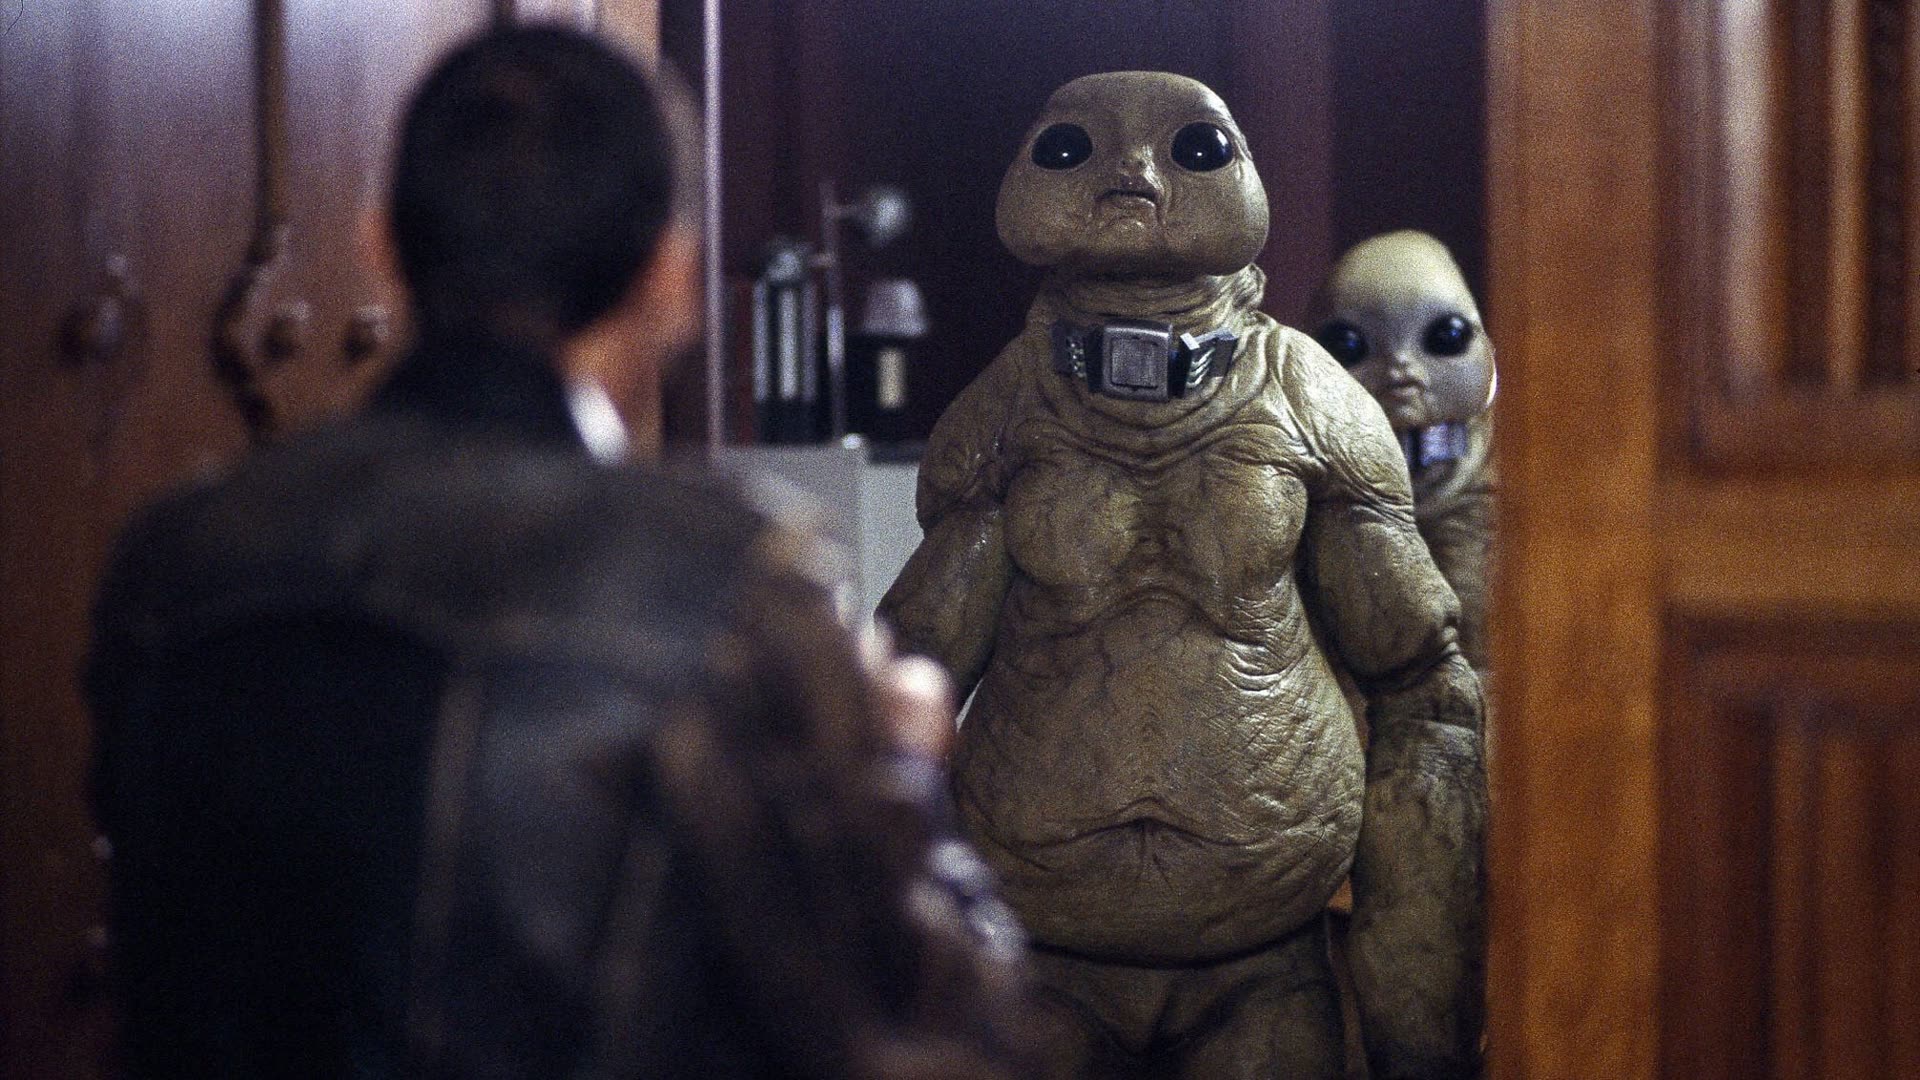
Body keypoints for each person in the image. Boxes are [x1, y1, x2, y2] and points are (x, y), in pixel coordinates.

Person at [87, 26, 1027, 1079]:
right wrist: (903, 765)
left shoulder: (173, 554)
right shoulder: (724, 582)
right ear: (672, 278)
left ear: (380, 249)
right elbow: (942, 1032)